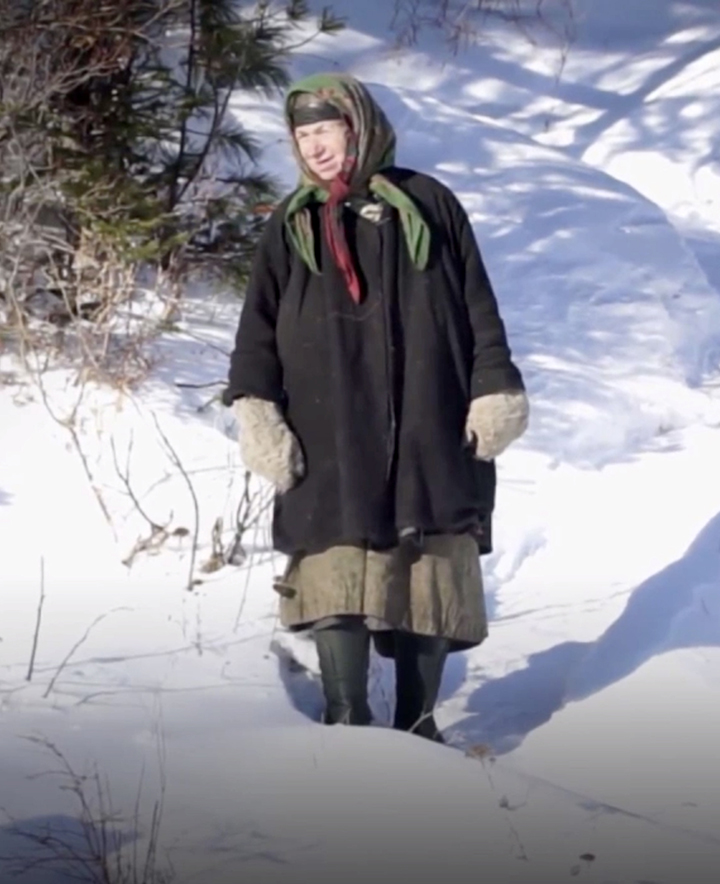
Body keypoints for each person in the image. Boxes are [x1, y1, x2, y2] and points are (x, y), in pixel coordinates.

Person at [222, 72, 529, 742]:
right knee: (335, 555)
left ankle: (419, 721)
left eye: (326, 129)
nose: (316, 146)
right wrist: (258, 411)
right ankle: (344, 718)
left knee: (430, 561)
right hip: (327, 423)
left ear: (358, 126)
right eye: (303, 134)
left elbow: (479, 306)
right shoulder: (292, 224)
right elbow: (257, 331)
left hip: (429, 412)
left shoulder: (430, 204)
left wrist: (494, 387)